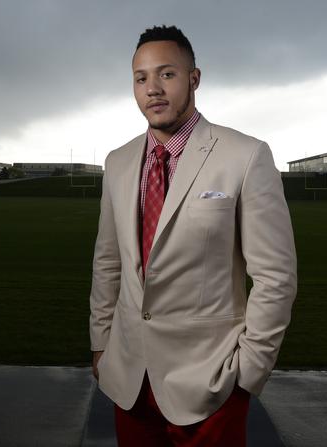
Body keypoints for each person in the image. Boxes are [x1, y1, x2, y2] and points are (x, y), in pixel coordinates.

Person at [88, 24, 297, 446]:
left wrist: (249, 370)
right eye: (141, 78)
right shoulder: (119, 162)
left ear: (193, 79)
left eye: (166, 74)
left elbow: (276, 277)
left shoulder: (245, 155)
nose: (153, 89)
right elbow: (108, 260)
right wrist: (100, 344)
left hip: (210, 382)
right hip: (129, 377)